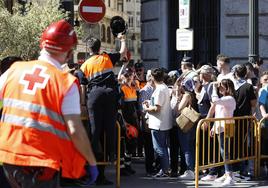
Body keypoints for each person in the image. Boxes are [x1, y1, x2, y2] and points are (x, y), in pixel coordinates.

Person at [0, 19, 98, 187]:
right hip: (40, 167)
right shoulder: (65, 82)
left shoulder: (13, 71)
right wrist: (91, 161)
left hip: (7, 160)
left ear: (42, 44)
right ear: (68, 53)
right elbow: (75, 130)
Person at [80, 33, 127, 185]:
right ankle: (112, 153)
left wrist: (83, 105)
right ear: (99, 48)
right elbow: (123, 53)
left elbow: (83, 87)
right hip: (109, 95)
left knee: (95, 130)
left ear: (89, 49)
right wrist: (122, 40)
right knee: (111, 126)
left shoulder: (84, 65)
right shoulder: (107, 57)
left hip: (94, 97)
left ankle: (93, 156)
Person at [143, 68, 172, 179]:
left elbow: (157, 108)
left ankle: (165, 171)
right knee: (162, 147)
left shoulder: (160, 89)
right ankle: (165, 170)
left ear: (153, 77)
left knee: (159, 148)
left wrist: (146, 108)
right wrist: (150, 103)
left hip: (158, 123)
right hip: (162, 123)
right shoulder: (163, 87)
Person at [210, 79, 236, 186]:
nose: (219, 88)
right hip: (221, 126)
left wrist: (213, 89)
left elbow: (215, 101)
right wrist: (213, 127)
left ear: (227, 87)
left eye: (222, 86)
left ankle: (229, 176)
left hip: (226, 127)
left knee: (224, 151)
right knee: (223, 151)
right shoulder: (224, 99)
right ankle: (227, 174)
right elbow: (218, 113)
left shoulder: (229, 98)